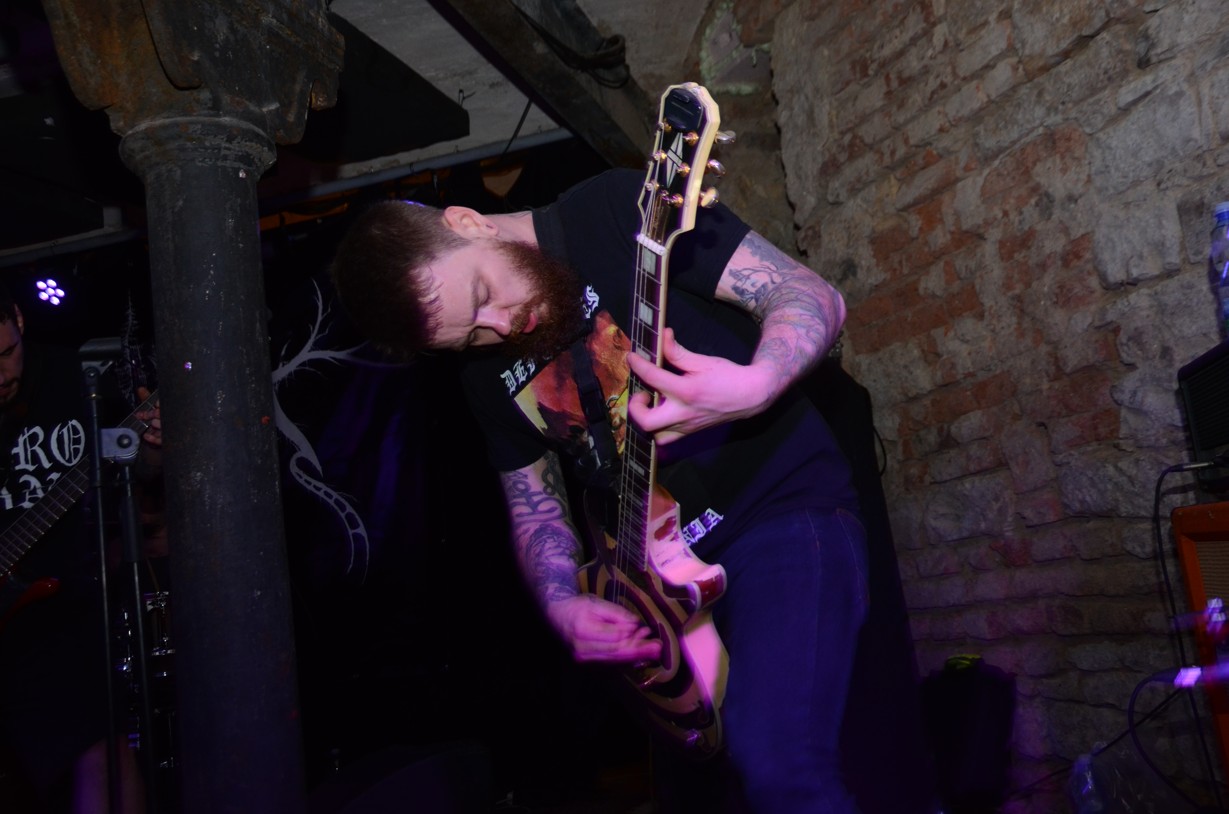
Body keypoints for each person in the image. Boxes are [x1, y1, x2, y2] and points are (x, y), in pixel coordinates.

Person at [329, 167, 869, 813]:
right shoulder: (482, 376)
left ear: (468, 223)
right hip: (655, 592)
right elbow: (533, 508)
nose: (501, 326)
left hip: (774, 512)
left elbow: (804, 291)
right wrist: (561, 603)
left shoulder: (613, 210)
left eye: (482, 295)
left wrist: (758, 382)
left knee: (779, 762)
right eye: (469, 336)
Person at [0, 286, 160, 814]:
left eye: (6, 352)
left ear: (19, 319)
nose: (1, 374)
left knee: (104, 754)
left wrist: (155, 443)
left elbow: (142, 469)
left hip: (61, 610)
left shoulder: (77, 378)